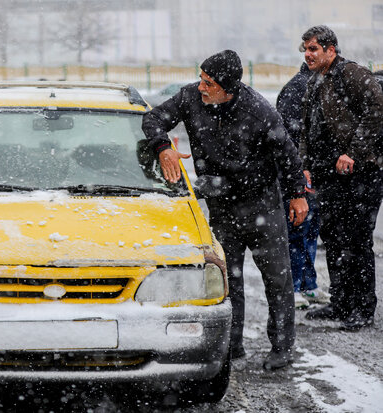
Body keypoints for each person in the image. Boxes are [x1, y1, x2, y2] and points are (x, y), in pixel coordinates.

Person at [142, 50, 308, 370]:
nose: (201, 86)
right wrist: (163, 148)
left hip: (262, 203)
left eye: (209, 83)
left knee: (277, 279)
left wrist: (297, 195)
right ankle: (232, 344)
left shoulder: (259, 112)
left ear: (228, 88)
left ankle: (283, 346)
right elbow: (152, 118)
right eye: (201, 78)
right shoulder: (191, 97)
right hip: (222, 206)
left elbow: (287, 154)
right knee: (228, 279)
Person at [299, 25, 383, 331]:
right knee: (333, 239)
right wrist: (306, 164)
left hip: (361, 175)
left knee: (357, 241)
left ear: (330, 49)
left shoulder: (353, 74)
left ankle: (362, 308)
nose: (307, 54)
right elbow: (308, 127)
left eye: (312, 49)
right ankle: (341, 302)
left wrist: (355, 152)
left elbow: (377, 111)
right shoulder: (315, 81)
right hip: (329, 176)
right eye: (305, 49)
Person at [276, 63, 329, 309]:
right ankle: (296, 286)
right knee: (299, 228)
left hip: (312, 170)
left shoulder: (314, 86)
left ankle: (308, 285)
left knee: (309, 229)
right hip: (301, 172)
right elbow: (289, 137)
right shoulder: (299, 89)